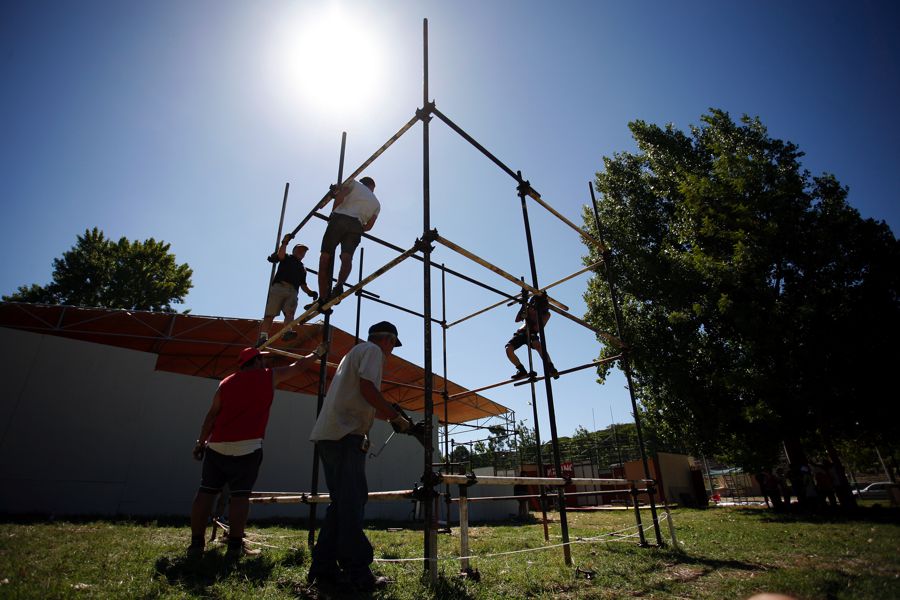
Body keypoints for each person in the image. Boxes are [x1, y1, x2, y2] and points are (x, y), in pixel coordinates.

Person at [187, 344, 325, 559]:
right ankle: (234, 547)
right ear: (257, 361)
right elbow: (298, 367)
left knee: (206, 493)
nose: (264, 363)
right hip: (248, 447)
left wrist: (200, 442)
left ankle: (196, 545)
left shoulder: (226, 383)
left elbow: (211, 415)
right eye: (261, 359)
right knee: (240, 497)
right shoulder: (267, 376)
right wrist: (317, 353)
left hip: (217, 445)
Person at [307, 321, 413, 592]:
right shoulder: (373, 352)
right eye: (393, 345)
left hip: (331, 435)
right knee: (352, 502)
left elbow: (362, 397)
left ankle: (324, 568)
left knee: (341, 504)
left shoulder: (354, 354)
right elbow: (368, 389)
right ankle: (357, 571)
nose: (390, 352)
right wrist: (395, 416)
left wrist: (390, 416)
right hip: (345, 437)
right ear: (387, 339)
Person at [311, 177, 380, 308]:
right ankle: (339, 285)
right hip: (357, 226)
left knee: (325, 257)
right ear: (372, 186)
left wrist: (334, 212)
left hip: (340, 219)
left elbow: (341, 195)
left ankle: (322, 297)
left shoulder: (354, 183)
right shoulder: (377, 203)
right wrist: (358, 229)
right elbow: (369, 226)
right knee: (346, 258)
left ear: (363, 182)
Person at [258, 234, 318, 346]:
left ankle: (287, 332)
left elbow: (303, 284)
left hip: (293, 291)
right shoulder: (287, 258)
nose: (301, 252)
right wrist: (284, 243)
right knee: (270, 314)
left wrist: (311, 292)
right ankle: (263, 337)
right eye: (299, 250)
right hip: (279, 287)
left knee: (289, 313)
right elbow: (280, 256)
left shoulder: (302, 268)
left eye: (303, 251)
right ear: (294, 250)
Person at [505, 295, 558, 380]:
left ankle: (550, 367)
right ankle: (521, 370)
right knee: (508, 349)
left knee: (538, 345)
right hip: (522, 332)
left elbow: (537, 328)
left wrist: (531, 315)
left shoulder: (546, 314)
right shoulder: (528, 307)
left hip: (532, 332)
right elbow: (517, 320)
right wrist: (523, 306)